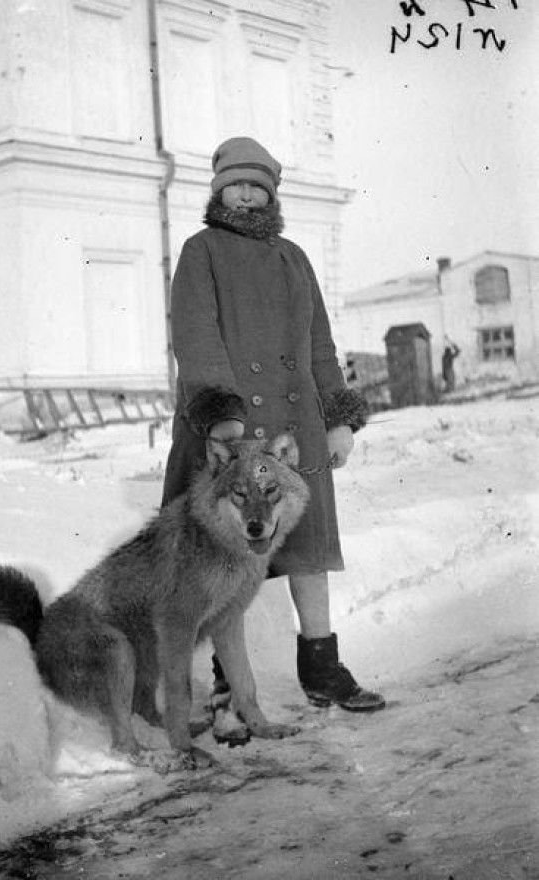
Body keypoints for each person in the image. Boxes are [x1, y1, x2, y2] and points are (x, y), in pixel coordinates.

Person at [161, 136, 385, 713]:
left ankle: (322, 667)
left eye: (257, 185)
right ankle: (225, 676)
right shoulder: (200, 250)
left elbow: (320, 345)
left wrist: (338, 418)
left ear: (270, 195)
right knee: (222, 561)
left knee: (310, 554)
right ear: (218, 191)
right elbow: (196, 337)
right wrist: (222, 417)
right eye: (236, 183)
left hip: (295, 430)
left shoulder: (294, 257)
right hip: (230, 435)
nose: (246, 193)